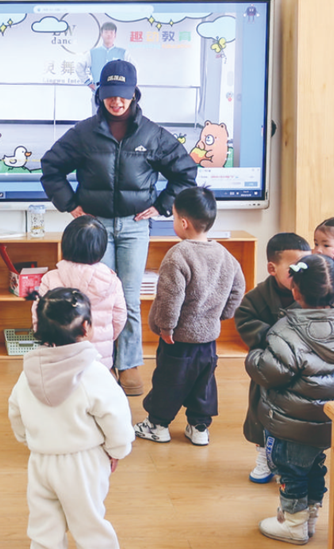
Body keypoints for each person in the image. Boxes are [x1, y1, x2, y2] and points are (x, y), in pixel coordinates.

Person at [41, 60, 199, 396]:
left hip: (134, 228)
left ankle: (128, 363)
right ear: (100, 94)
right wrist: (70, 205)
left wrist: (162, 205)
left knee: (127, 299)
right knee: (92, 297)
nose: (116, 101)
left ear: (134, 94)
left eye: (123, 95)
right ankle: (96, 364)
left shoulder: (152, 134)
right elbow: (51, 167)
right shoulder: (84, 133)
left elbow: (185, 171)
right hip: (94, 228)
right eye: (110, 94)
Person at [245, 254, 334, 544]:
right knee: (314, 467)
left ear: (295, 291)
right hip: (327, 420)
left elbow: (269, 372)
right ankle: (310, 516)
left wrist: (255, 355)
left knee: (291, 472)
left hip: (292, 423)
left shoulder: (288, 331)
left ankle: (293, 525)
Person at [8, 287, 134, 549]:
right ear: (86, 327)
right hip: (83, 463)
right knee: (90, 526)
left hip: (41, 460)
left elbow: (16, 411)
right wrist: (117, 450)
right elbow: (116, 417)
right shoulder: (93, 373)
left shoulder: (28, 373)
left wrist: (29, 439)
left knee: (44, 527)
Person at [134, 187, 245, 446]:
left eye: (173, 217)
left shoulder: (178, 255)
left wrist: (166, 327)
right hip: (208, 338)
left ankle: (157, 425)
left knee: (169, 380)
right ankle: (199, 428)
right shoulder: (225, 255)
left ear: (183, 223)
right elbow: (238, 288)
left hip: (178, 338)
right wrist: (222, 315)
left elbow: (169, 297)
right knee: (203, 383)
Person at [235, 233, 311, 484]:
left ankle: (289, 463)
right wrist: (277, 338)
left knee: (294, 418)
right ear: (272, 268)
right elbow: (245, 322)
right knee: (262, 414)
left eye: (305, 268)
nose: (300, 276)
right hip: (269, 368)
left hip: (301, 371)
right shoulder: (256, 297)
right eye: (293, 270)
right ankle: (264, 457)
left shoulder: (313, 295)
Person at [30, 216, 126, 369]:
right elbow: (120, 317)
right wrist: (106, 338)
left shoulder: (51, 278)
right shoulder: (112, 280)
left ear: (66, 244)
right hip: (99, 357)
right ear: (102, 248)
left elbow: (38, 314)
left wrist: (46, 340)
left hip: (59, 356)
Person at [77, 22, 135, 94]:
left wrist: (128, 84)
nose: (109, 35)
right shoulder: (92, 53)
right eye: (106, 32)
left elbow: (134, 68)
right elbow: (79, 67)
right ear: (101, 34)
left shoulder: (123, 53)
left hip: (118, 94)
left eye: (111, 32)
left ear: (115, 35)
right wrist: (88, 83)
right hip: (98, 93)